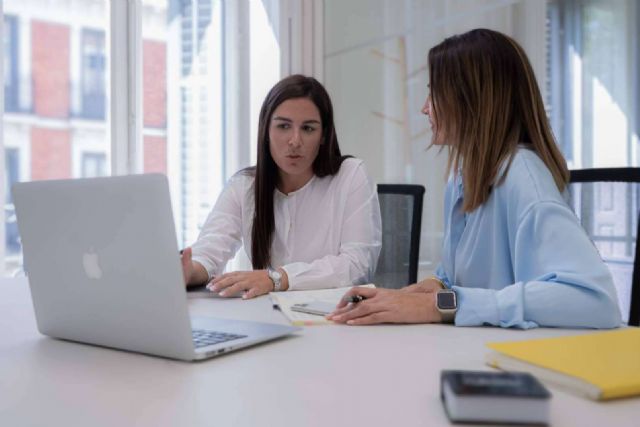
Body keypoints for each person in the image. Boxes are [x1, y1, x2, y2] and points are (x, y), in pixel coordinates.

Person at [328, 28, 621, 329]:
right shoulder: (463, 177)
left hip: (527, 364)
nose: (425, 107)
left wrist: (439, 304)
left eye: (434, 92)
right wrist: (421, 291)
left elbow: (595, 301)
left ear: (471, 98)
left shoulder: (523, 176)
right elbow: (458, 282)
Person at [181, 74, 382, 299]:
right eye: (284, 126)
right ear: (266, 131)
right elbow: (210, 252)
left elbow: (357, 266)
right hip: (268, 316)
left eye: (308, 128)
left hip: (334, 319)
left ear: (324, 135)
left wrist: (277, 278)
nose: (295, 140)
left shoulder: (350, 175)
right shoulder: (244, 186)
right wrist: (189, 272)